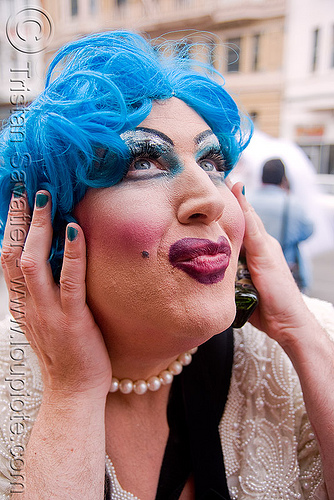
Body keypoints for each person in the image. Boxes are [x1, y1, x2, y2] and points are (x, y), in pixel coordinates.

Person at [0, 31, 333, 500]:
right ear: (49, 228)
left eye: (213, 163)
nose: (209, 201)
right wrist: (72, 393)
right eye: (142, 162)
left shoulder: (309, 340)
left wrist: (300, 333)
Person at [249, 158, 314, 290]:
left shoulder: (247, 200)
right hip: (285, 267)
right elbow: (308, 231)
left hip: (251, 269)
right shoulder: (292, 203)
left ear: (262, 176)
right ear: (283, 178)